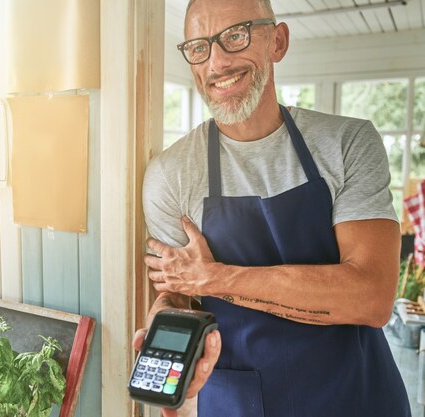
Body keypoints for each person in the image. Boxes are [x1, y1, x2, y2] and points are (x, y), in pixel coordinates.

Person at [134, 0, 412, 416]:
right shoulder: (169, 174)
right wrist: (165, 327)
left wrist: (216, 278)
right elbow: (178, 294)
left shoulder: (348, 143)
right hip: (240, 400)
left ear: (277, 41)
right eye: (199, 47)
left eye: (236, 36)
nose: (218, 62)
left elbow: (371, 298)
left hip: (356, 395)